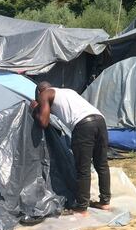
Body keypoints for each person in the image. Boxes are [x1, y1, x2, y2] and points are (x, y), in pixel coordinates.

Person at [31, 81, 111, 216]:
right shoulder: (67, 91)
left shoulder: (44, 94)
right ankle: (105, 201)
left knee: (82, 168)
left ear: (39, 92)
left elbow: (43, 122)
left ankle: (81, 207)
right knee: (102, 164)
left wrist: (35, 109)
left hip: (83, 126)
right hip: (100, 120)